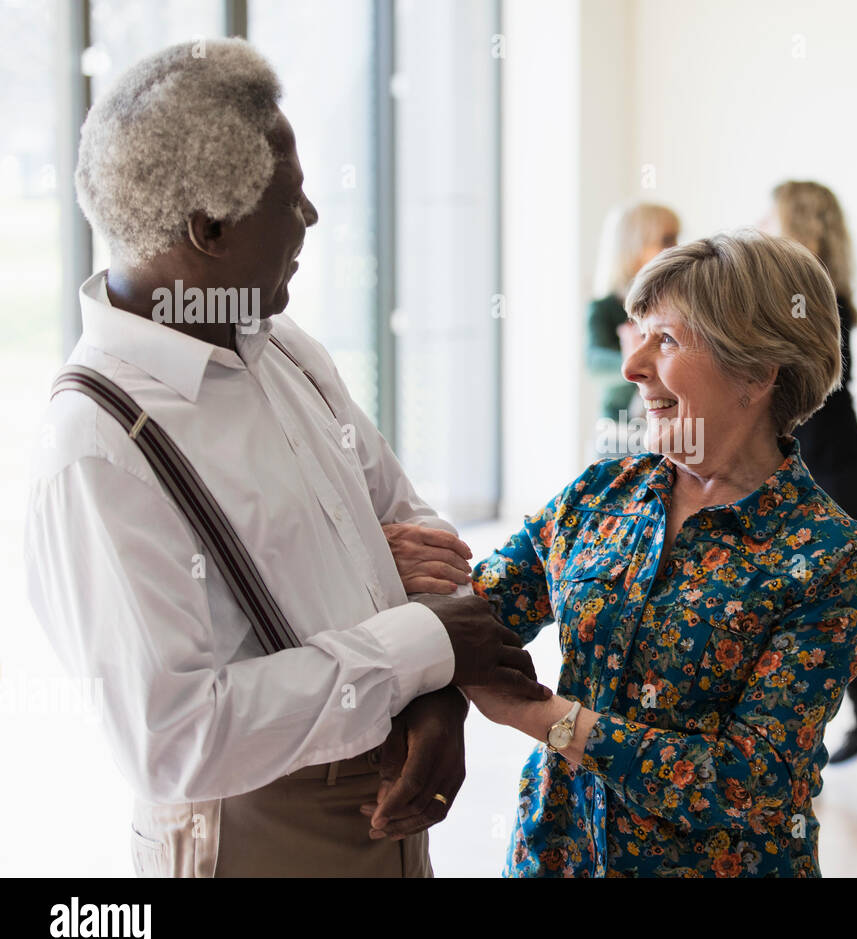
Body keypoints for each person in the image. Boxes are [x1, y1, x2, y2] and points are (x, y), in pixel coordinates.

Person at [24, 38, 547, 878]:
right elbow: (178, 737)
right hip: (251, 837)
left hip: (389, 804)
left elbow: (415, 528)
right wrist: (421, 644)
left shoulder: (283, 347)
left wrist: (439, 696)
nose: (312, 220)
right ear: (209, 229)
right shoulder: (96, 451)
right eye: (291, 202)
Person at [459, 231, 857, 876]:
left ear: (757, 371)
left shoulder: (826, 558)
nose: (633, 367)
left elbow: (751, 782)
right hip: (558, 855)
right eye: (639, 335)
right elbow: (480, 614)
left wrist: (550, 720)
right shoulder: (601, 494)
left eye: (669, 340)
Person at [762, 180, 857, 763]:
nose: (760, 223)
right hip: (824, 465)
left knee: (808, 606)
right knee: (804, 606)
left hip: (834, 470)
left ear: (799, 225)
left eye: (770, 216)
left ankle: (807, 739)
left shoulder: (815, 300)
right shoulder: (811, 295)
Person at [587, 201, 679, 423]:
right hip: (619, 420)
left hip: (661, 416)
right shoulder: (605, 307)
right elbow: (593, 362)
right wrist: (631, 357)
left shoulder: (670, 303)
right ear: (634, 247)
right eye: (666, 240)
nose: (676, 247)